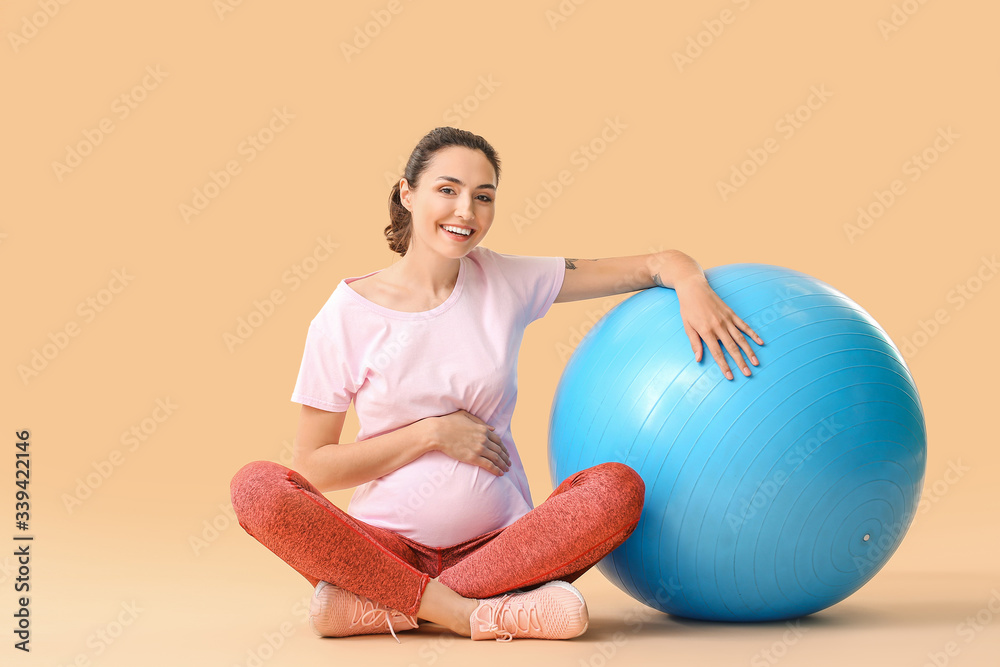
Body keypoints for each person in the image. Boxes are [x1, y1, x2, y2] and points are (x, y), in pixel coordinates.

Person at [230, 126, 763, 643]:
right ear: (407, 193)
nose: (466, 211)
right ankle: (477, 613)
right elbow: (313, 466)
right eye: (447, 190)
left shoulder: (505, 280)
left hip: (504, 546)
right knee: (256, 487)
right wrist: (432, 434)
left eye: (483, 197)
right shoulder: (345, 316)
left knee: (617, 488)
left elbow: (654, 264)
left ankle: (395, 606)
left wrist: (690, 282)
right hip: (383, 550)